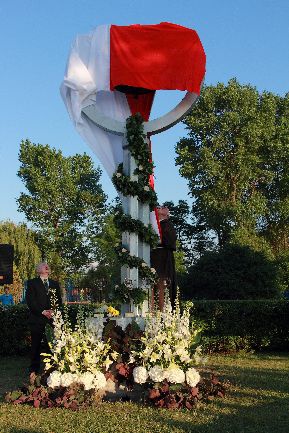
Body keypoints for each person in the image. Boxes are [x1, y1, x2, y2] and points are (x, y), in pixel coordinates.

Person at [26, 262, 62, 377]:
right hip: (37, 318)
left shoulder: (55, 284)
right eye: (43, 265)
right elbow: (30, 301)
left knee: (52, 344)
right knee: (36, 344)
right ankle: (34, 369)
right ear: (38, 270)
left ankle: (52, 367)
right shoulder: (32, 283)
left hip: (52, 319)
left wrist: (52, 311)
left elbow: (59, 301)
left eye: (47, 265)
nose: (47, 266)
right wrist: (43, 312)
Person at [150, 205, 177, 310]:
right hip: (153, 257)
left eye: (163, 207)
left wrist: (160, 238)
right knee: (152, 284)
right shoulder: (151, 224)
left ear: (167, 213)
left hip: (164, 258)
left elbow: (171, 242)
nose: (160, 208)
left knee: (163, 283)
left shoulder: (168, 225)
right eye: (159, 207)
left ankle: (163, 311)